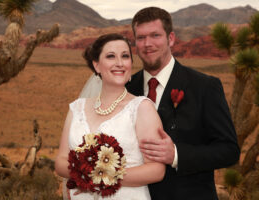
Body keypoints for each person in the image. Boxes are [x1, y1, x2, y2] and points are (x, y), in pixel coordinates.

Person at [125, 7, 240, 200]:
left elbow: (229, 151)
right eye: (141, 38)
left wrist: (177, 155)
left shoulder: (204, 86)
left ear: (171, 39)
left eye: (155, 35)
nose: (147, 44)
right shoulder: (126, 88)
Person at [55, 33, 166, 200]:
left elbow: (156, 170)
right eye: (111, 56)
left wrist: (102, 177)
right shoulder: (77, 109)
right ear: (97, 65)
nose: (119, 63)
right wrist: (88, 172)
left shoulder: (142, 108)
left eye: (125, 56)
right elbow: (61, 161)